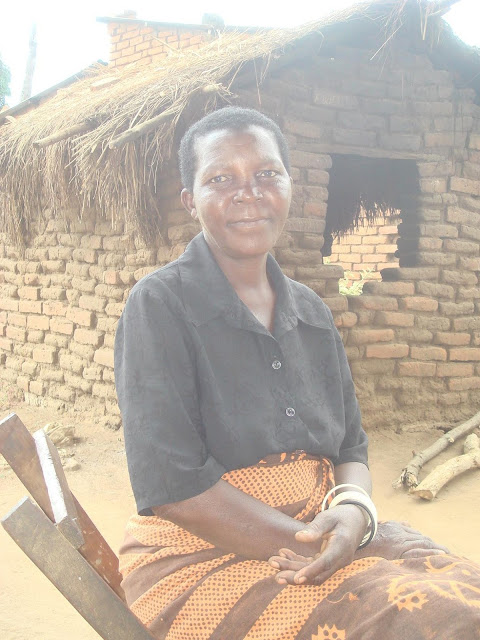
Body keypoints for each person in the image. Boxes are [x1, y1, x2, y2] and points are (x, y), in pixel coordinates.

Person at [114, 107, 480, 640]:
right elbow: (173, 487)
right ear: (191, 199)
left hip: (322, 530)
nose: (249, 193)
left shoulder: (311, 312)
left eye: (267, 173)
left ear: (289, 185)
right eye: (221, 179)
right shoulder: (160, 305)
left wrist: (353, 511)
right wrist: (314, 542)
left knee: (466, 595)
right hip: (200, 557)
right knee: (438, 622)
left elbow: (350, 448)